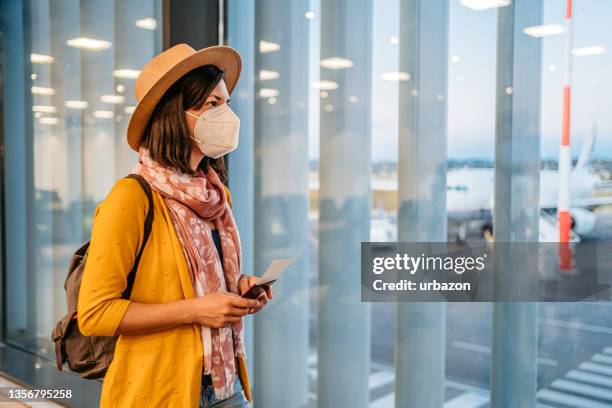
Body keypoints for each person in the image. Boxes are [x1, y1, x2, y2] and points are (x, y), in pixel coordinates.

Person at [77, 44, 270, 408]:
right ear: (173, 114)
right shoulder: (132, 198)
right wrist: (199, 309)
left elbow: (191, 278)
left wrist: (239, 289)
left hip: (226, 384)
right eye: (212, 105)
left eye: (226, 103)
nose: (226, 114)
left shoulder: (215, 195)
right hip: (161, 390)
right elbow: (94, 314)